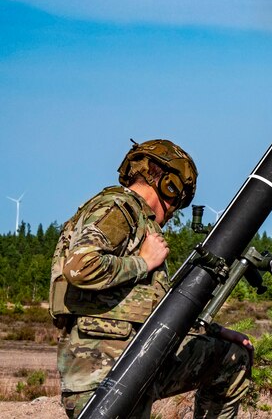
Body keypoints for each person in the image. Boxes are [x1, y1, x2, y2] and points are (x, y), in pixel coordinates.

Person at [49, 138, 253, 418]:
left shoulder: (138, 220)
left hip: (139, 358)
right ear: (170, 185)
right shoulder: (119, 207)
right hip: (105, 372)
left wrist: (214, 331)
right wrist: (143, 262)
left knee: (232, 358)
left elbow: (150, 307)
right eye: (178, 199)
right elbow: (80, 266)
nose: (173, 210)